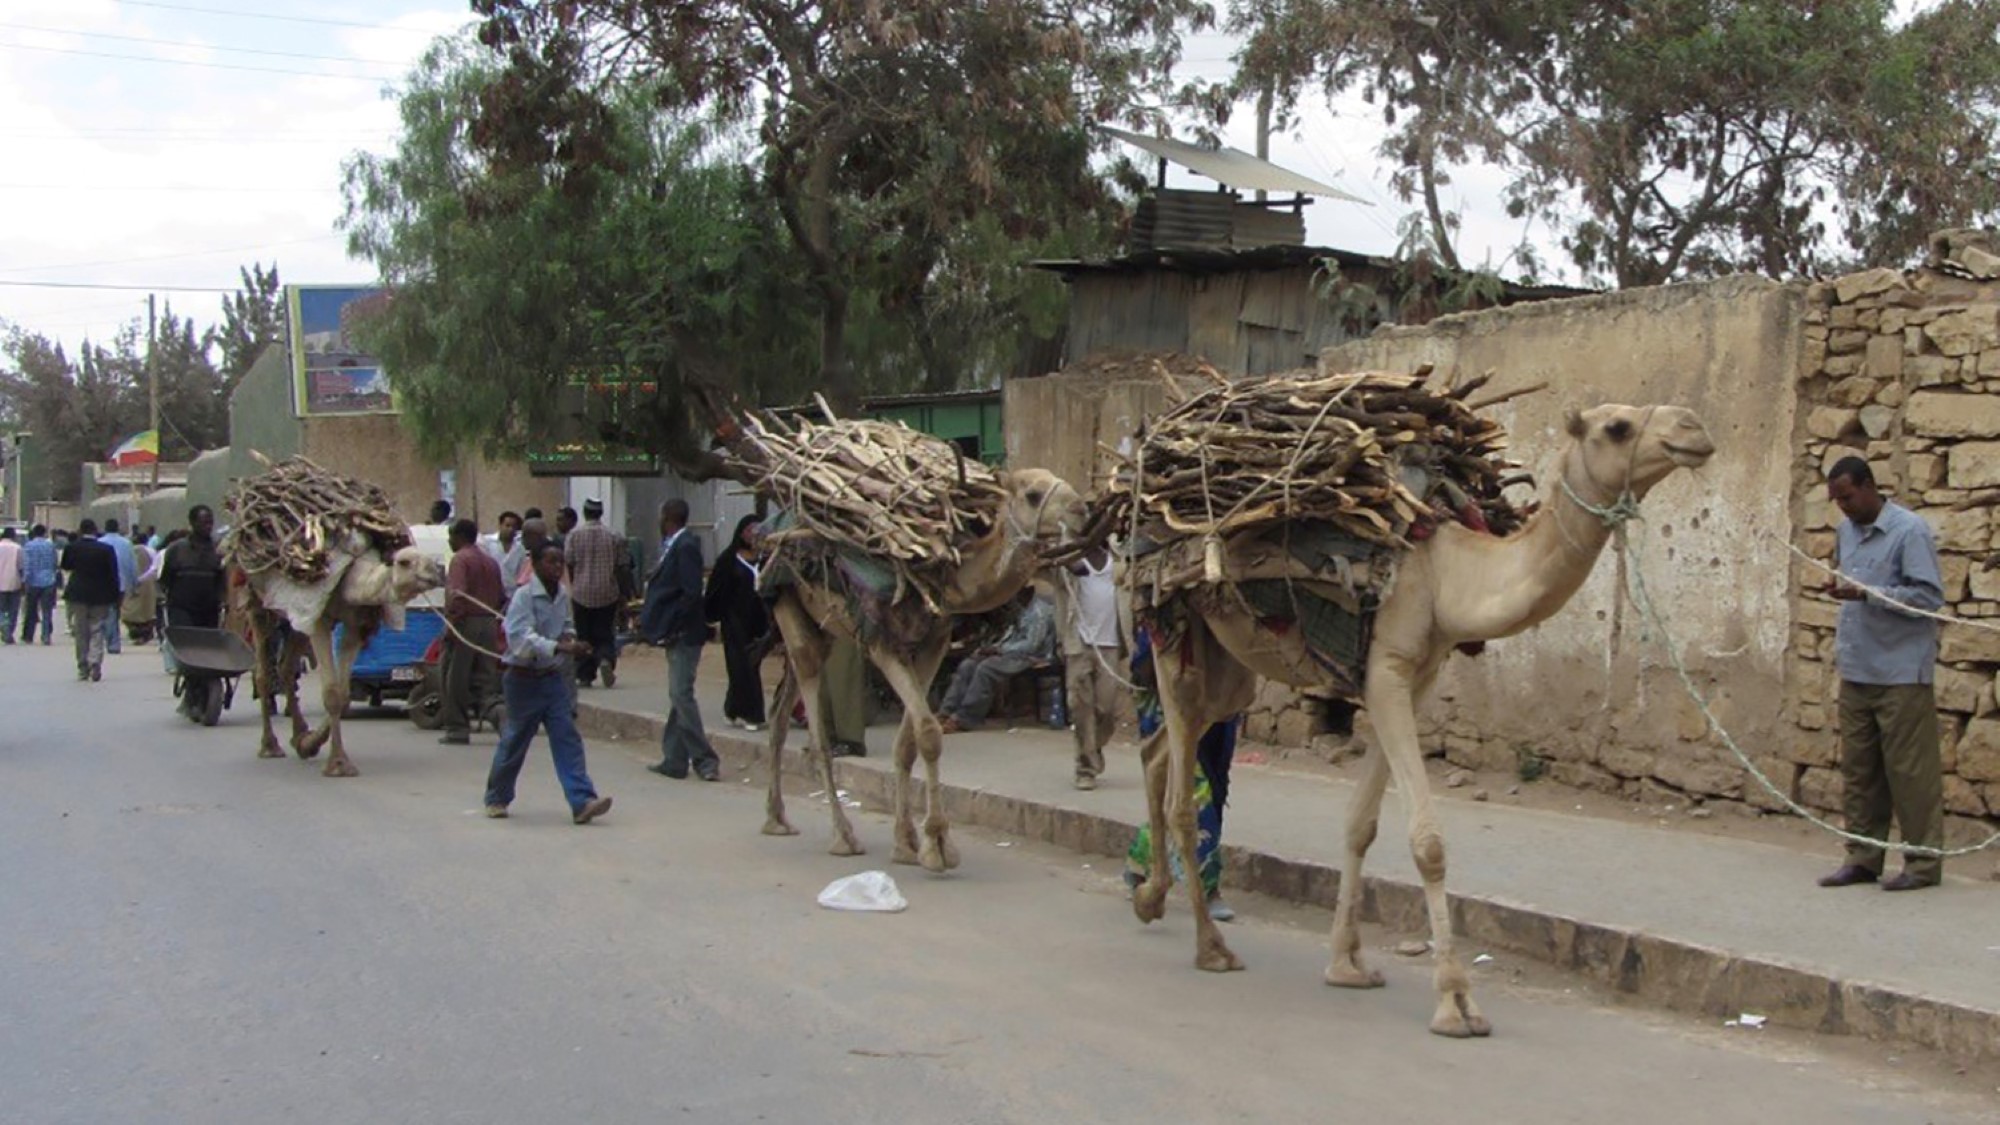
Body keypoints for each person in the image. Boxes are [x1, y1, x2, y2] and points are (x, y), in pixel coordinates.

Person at [1816, 456, 1946, 892]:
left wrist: (1868, 594)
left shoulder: (1910, 531)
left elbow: (1927, 597)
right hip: (1857, 668)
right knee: (1860, 771)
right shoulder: (1844, 533)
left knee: (1910, 773)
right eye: (1836, 501)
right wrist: (1840, 590)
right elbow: (1852, 586)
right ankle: (1862, 857)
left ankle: (1923, 864)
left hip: (1900, 672)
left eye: (1848, 498)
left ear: (1871, 487)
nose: (1843, 509)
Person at [483, 543, 613, 824]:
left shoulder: (561, 595)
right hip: (522, 679)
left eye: (560, 562)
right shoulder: (524, 596)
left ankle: (582, 800)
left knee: (567, 737)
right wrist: (558, 647)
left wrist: (572, 641)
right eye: (551, 562)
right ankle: (497, 796)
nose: (557, 567)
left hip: (551, 679)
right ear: (537, 564)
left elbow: (566, 625)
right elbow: (520, 639)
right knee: (516, 739)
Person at [1122, 627, 1241, 922]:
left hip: (1223, 684)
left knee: (1215, 782)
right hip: (1172, 684)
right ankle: (1207, 887)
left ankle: (1141, 862)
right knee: (1194, 789)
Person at [641, 498, 720, 781]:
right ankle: (674, 759)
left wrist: (674, 626)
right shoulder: (674, 544)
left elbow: (690, 593)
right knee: (678, 695)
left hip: (684, 633)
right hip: (675, 631)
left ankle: (705, 759)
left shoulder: (685, 546)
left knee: (680, 694)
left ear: (667, 517)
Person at [937, 588, 1055, 733]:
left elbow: (1031, 645)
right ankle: (945, 712)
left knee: (986, 669)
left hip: (1032, 657)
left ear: (1028, 591)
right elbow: (1008, 636)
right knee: (968, 664)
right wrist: (990, 648)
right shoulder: (1018, 609)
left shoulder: (1039, 612)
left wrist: (1000, 650)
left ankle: (965, 718)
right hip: (1011, 653)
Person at [1058, 545, 1125, 790]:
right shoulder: (1071, 566)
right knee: (1079, 706)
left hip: (1110, 644)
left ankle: (1093, 747)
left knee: (1106, 709)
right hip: (1079, 644)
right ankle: (1084, 768)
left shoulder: (1118, 561)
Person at [439, 518, 505, 746]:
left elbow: (458, 596)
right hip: (489, 623)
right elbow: (502, 597)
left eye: (451, 535)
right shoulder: (490, 561)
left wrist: (452, 625)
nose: (449, 540)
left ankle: (457, 727)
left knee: (455, 676)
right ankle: (500, 716)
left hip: (466, 622)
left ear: (460, 536)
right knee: (486, 678)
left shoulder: (460, 560)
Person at [704, 514, 769, 732]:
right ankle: (753, 715)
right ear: (741, 533)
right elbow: (716, 590)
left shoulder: (766, 559)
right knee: (743, 666)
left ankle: (732, 708)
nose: (754, 535)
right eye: (750, 531)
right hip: (735, 622)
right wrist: (712, 619)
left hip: (759, 622)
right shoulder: (729, 560)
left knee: (750, 665)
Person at [563, 497, 623, 688]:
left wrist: (574, 584)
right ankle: (605, 659)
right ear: (601, 513)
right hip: (607, 591)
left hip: (581, 592)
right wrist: (622, 593)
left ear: (585, 512)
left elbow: (569, 563)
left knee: (584, 634)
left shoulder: (573, 535)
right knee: (605, 632)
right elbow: (621, 566)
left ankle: (585, 674)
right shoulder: (614, 535)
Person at [59, 519, 120, 682]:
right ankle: (95, 661)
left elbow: (65, 566)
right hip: (101, 595)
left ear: (80, 530)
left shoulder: (72, 548)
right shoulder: (106, 550)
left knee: (81, 631)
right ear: (95, 530)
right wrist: (116, 596)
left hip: (77, 594)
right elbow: (113, 574)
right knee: (97, 629)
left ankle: (82, 665)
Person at [98, 518, 137, 655]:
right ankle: (113, 641)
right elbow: (132, 565)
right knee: (115, 611)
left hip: (103, 583)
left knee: (106, 612)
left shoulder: (100, 543)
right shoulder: (127, 543)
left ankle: (110, 640)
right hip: (120, 583)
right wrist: (133, 584)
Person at [20, 525, 60, 645]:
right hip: (48, 580)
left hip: (32, 581)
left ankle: (28, 635)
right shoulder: (51, 545)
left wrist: (24, 580)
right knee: (47, 610)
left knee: (31, 609)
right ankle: (46, 635)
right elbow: (55, 562)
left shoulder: (29, 546)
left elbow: (27, 565)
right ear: (44, 533)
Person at [482, 510, 525, 602]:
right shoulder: (487, 542)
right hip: (491, 592)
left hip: (512, 595)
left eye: (514, 527)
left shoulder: (520, 548)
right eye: (507, 525)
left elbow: (521, 573)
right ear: (500, 525)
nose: (510, 529)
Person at [0, 527, 21, 644]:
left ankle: (3, 625)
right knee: (13, 610)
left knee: (1, 609)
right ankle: (9, 632)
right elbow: (21, 566)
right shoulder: (17, 548)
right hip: (14, 582)